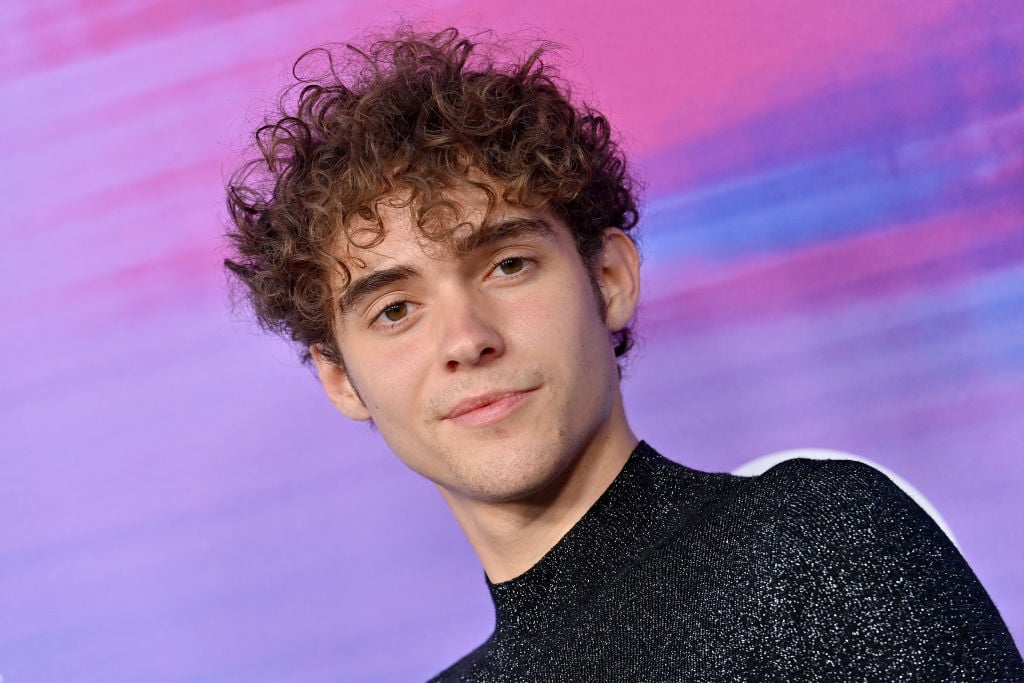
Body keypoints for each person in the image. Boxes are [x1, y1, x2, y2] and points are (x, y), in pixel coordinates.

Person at [224, 26, 1024, 681]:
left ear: (608, 278)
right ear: (341, 377)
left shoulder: (817, 544)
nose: (466, 339)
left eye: (506, 265)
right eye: (396, 309)